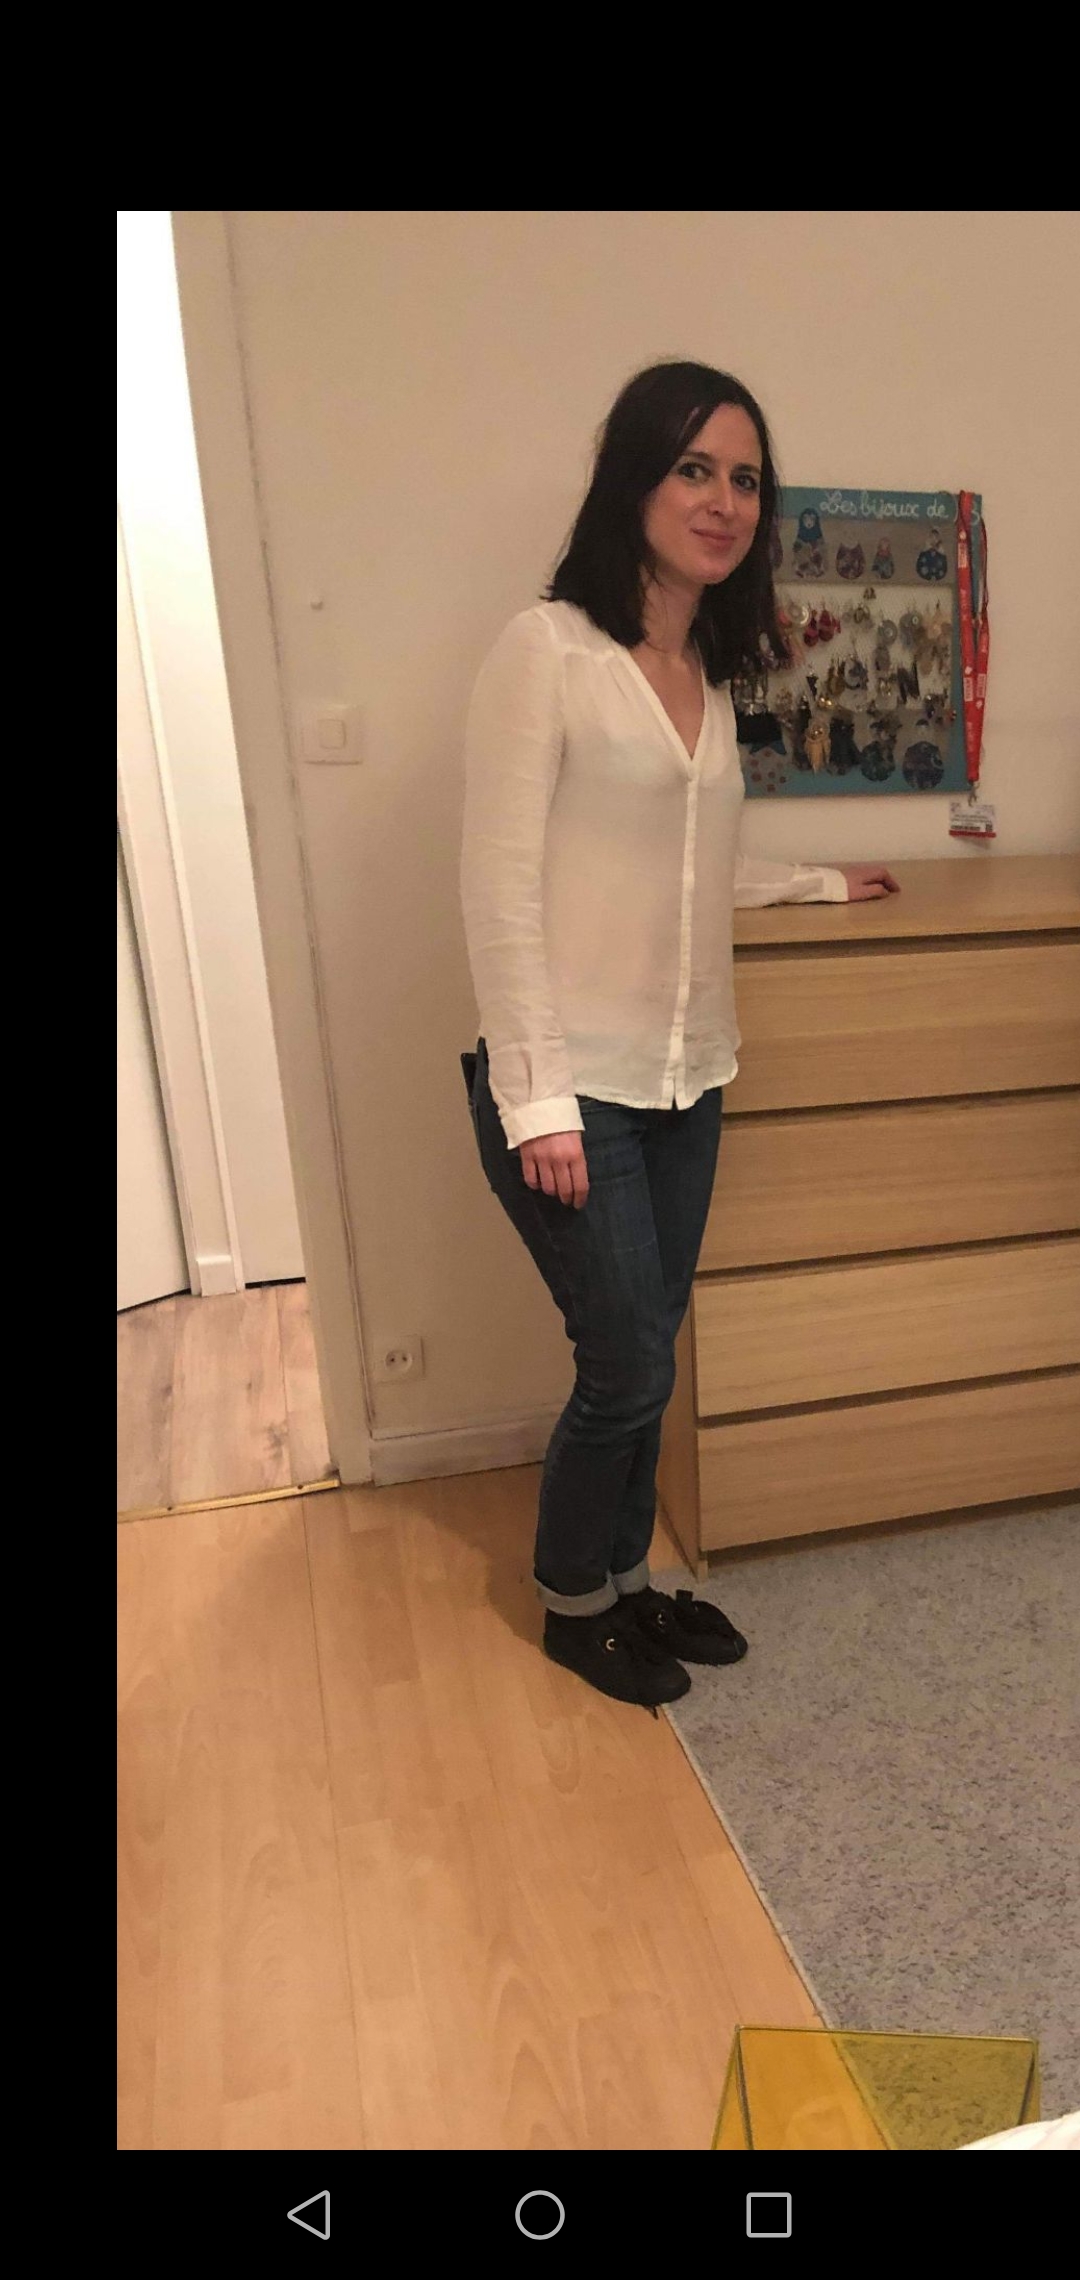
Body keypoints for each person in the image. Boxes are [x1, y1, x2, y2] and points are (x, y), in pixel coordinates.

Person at [460, 361, 898, 1714]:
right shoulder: (548, 651)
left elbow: (689, 865)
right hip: (572, 1088)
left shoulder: (702, 668)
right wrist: (537, 1102)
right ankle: (570, 1600)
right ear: (634, 483)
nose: (724, 501)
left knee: (651, 1345)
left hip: (686, 1077)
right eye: (694, 469)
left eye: (745, 479)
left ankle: (629, 1580)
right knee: (628, 1363)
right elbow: (498, 887)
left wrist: (817, 886)